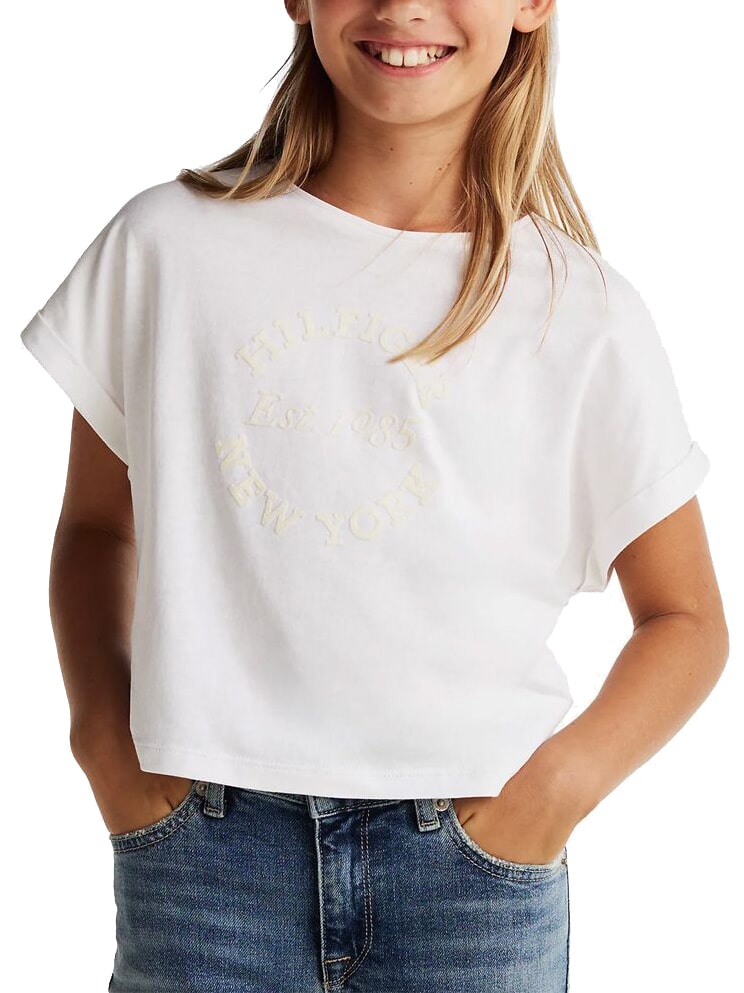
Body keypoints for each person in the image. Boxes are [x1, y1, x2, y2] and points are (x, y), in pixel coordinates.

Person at [19, 2, 728, 991]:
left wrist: (551, 795)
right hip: (205, 867)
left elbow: (687, 618)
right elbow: (98, 527)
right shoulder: (169, 247)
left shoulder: (582, 313)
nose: (402, 6)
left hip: (472, 886)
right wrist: (101, 736)